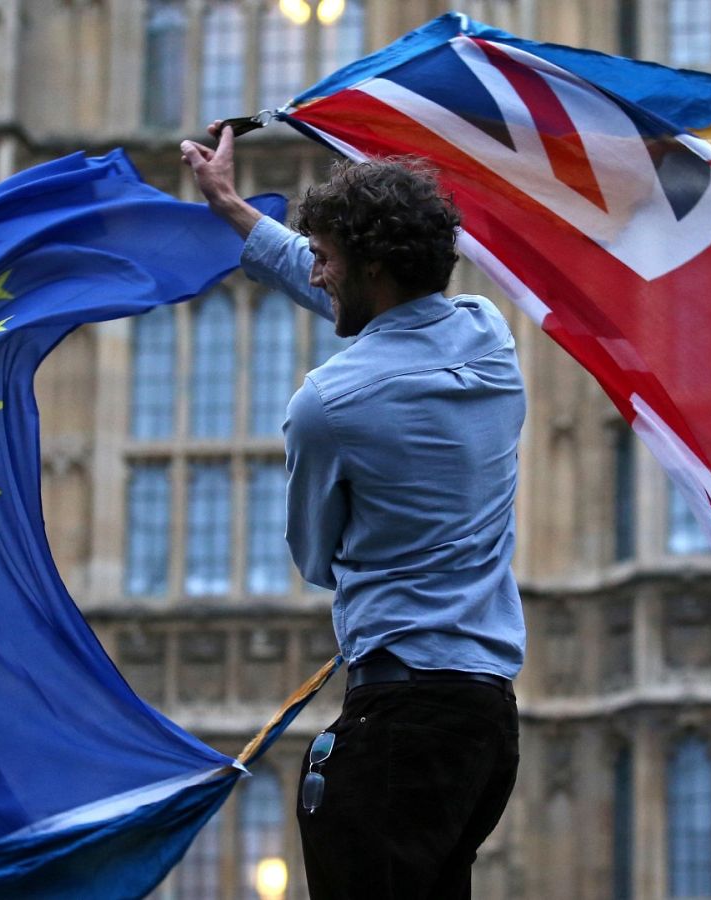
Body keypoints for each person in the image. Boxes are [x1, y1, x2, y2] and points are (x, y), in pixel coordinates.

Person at [180, 124, 526, 899]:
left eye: (326, 258)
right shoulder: (489, 338)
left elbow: (314, 558)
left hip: (396, 716)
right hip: (484, 720)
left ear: (371, 267)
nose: (317, 275)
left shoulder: (327, 404)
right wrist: (233, 208)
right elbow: (381, 311)